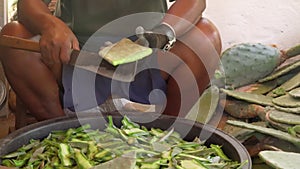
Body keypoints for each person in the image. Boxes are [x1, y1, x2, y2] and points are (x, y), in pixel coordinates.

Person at [0, 0, 221, 121]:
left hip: (148, 59)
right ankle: (61, 129)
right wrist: (49, 25)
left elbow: (195, 2)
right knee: (13, 34)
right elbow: (28, 4)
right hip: (74, 61)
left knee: (206, 36)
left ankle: (165, 129)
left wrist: (162, 34)